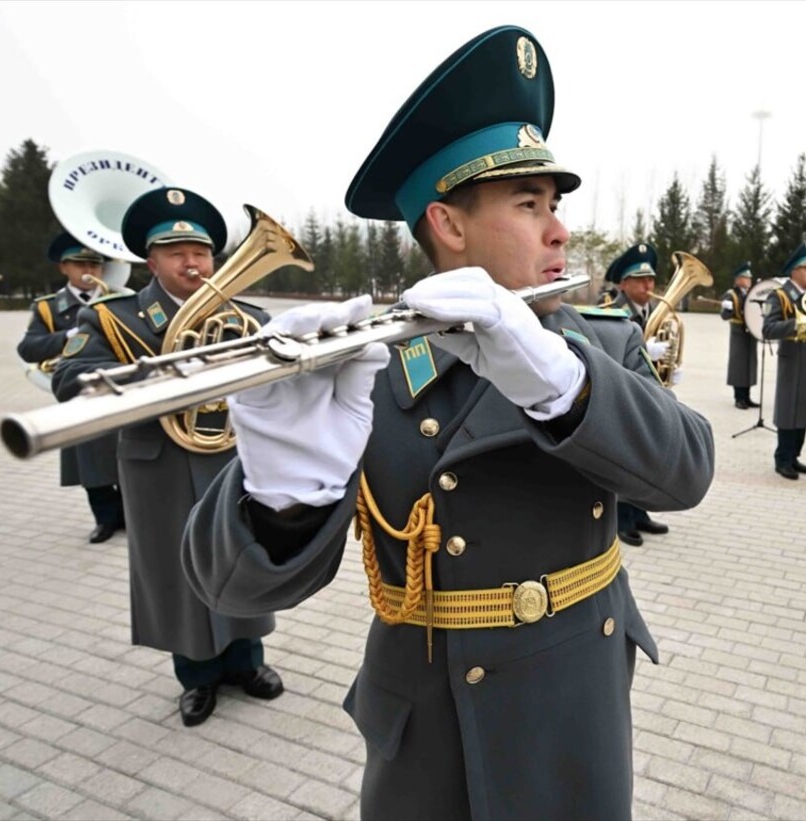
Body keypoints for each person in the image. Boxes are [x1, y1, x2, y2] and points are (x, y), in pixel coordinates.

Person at [182, 26, 714, 820]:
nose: (559, 229)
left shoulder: (595, 345)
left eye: (555, 205)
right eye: (528, 205)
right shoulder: (366, 368)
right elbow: (230, 583)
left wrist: (566, 386)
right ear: (449, 224)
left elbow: (686, 473)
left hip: (573, 705)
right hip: (429, 724)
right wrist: (283, 494)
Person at [53, 187, 283, 727]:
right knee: (176, 571)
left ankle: (247, 662)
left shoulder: (245, 313)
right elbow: (66, 379)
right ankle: (197, 677)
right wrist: (155, 374)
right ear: (150, 261)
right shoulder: (116, 317)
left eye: (201, 253)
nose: (192, 263)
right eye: (177, 253)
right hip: (158, 466)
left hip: (233, 461)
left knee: (241, 559)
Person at [17, 233, 125, 543]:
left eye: (95, 262)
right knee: (89, 460)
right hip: (78, 393)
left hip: (118, 388)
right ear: (64, 268)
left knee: (127, 453)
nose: (89, 269)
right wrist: (68, 336)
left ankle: (131, 515)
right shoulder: (50, 308)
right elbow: (29, 349)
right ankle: (105, 519)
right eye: (80, 263)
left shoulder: (119, 300)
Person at [602, 242, 676, 546]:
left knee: (645, 452)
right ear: (624, 283)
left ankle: (640, 512)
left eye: (651, 280)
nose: (649, 286)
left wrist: (668, 369)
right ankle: (621, 519)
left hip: (645, 392)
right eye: (641, 280)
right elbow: (605, 353)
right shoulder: (608, 310)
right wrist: (646, 350)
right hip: (621, 396)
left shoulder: (651, 311)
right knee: (624, 456)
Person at [762, 243, 806, 480]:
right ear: (795, 271)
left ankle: (795, 456)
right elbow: (768, 328)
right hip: (792, 357)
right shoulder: (779, 296)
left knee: (805, 407)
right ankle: (782, 458)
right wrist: (796, 324)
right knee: (788, 409)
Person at [720, 262, 760, 409]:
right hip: (738, 333)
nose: (749, 280)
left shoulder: (751, 293)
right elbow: (724, 316)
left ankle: (747, 396)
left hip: (750, 333)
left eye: (750, 278)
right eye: (745, 277)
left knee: (749, 365)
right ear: (738, 280)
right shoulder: (731, 294)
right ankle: (739, 397)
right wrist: (727, 309)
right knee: (739, 366)